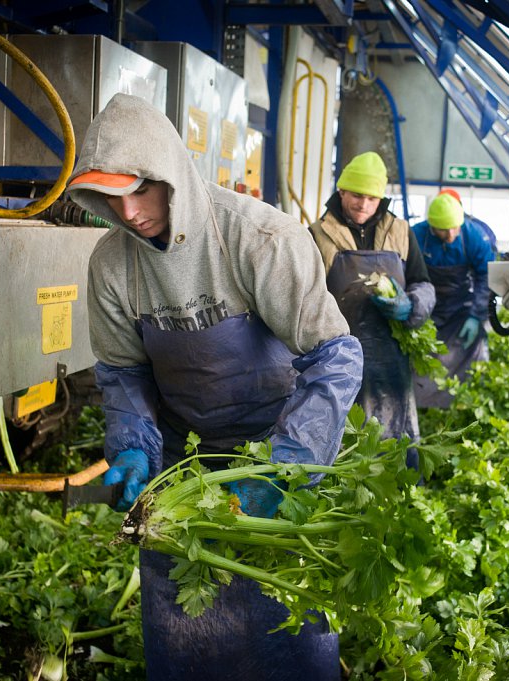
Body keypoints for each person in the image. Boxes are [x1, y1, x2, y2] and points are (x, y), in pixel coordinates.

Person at [64, 93, 363, 681]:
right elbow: (124, 373)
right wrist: (131, 444)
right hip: (184, 472)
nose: (126, 212)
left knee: (288, 628)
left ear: (171, 176)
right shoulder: (110, 266)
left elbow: (334, 357)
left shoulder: (259, 239)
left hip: (273, 454)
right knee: (186, 637)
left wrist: (289, 466)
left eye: (138, 190)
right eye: (107, 196)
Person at [308, 152, 434, 469]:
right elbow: (303, 296)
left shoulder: (402, 232)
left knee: (394, 441)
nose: (363, 204)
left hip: (392, 360)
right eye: (356, 195)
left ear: (381, 199)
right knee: (342, 442)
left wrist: (412, 306)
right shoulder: (317, 234)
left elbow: (423, 283)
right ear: (341, 193)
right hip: (336, 357)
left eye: (371, 198)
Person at [410, 193, 497, 408]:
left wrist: (476, 317)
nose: (450, 234)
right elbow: (405, 272)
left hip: (460, 306)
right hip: (426, 304)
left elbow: (485, 277)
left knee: (469, 350)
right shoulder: (416, 236)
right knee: (422, 356)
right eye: (442, 229)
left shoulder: (473, 236)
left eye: (454, 228)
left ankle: (464, 405)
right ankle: (421, 404)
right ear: (431, 226)